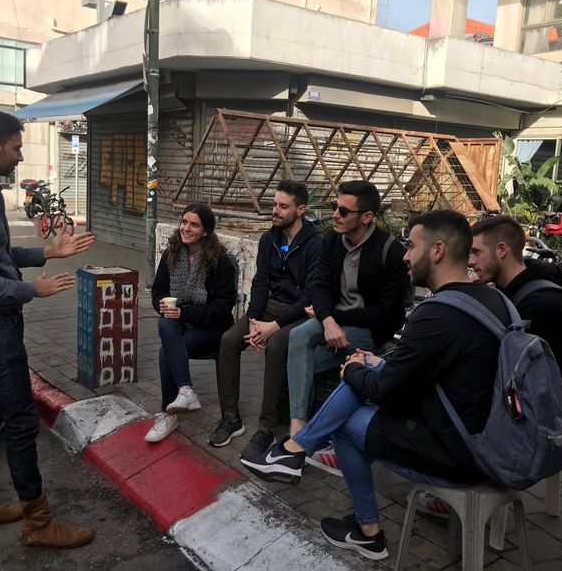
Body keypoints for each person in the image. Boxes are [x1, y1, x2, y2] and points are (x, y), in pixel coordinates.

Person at [240, 210, 510, 562]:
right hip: (490, 434)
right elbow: (433, 373)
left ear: (438, 250)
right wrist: (375, 364)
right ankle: (294, 452)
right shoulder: (492, 300)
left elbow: (386, 393)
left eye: (412, 247)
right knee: (364, 372)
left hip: (459, 453)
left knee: (347, 422)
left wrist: (353, 370)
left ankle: (363, 526)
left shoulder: (437, 313)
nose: (406, 256)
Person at [0, 110, 95, 548]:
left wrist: (49, 251)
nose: (19, 155)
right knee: (22, 420)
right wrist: (34, 290)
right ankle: (39, 522)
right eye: (15, 147)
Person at [284, 180, 409, 441]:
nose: (335, 215)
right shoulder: (332, 241)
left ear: (366, 217)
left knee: (304, 363)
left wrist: (333, 318)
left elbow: (389, 315)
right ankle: (299, 425)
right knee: (298, 337)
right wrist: (328, 320)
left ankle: (321, 432)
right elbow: (318, 286)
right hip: (333, 320)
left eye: (343, 211)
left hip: (369, 330)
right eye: (334, 207)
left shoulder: (390, 251)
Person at [208, 180, 323, 454]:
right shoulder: (269, 238)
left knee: (276, 345)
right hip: (269, 308)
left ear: (300, 210)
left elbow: (310, 295)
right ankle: (231, 417)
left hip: (299, 313)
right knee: (229, 339)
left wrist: (273, 327)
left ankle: (266, 427)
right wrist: (253, 321)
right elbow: (260, 282)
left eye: (283, 206)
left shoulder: (316, 243)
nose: (276, 210)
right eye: (274, 204)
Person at [147, 203, 237, 443]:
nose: (186, 228)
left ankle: (168, 413)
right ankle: (186, 391)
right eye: (184, 222)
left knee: (167, 351)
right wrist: (162, 305)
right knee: (166, 325)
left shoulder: (221, 262)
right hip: (181, 321)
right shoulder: (172, 253)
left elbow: (221, 310)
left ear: (206, 231)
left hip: (211, 327)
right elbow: (158, 290)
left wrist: (183, 313)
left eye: (194, 224)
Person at [470, 215, 562, 406]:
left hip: (535, 420)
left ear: (502, 250)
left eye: (476, 252)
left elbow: (513, 372)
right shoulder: (515, 290)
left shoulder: (539, 305)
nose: (470, 261)